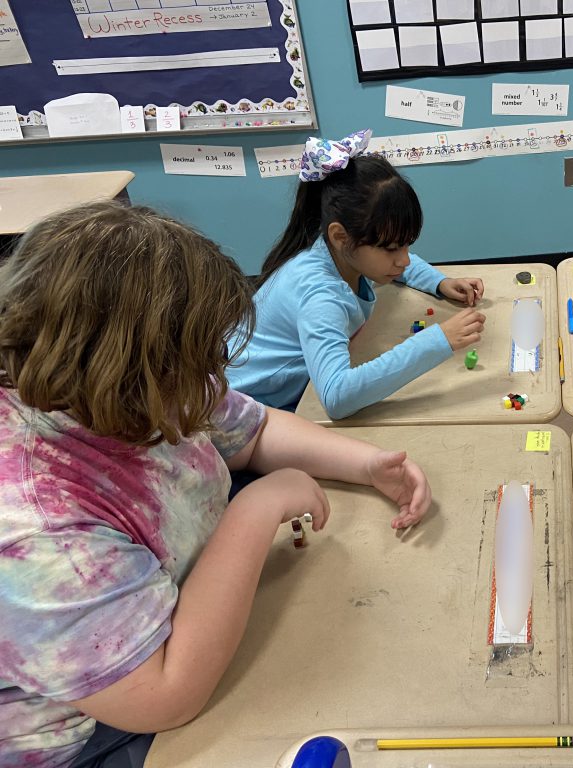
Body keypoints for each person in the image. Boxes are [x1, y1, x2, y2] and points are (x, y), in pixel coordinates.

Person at [0, 201, 433, 768]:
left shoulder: (137, 385)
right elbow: (163, 695)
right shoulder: (35, 525)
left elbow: (251, 429)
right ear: (124, 369)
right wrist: (255, 509)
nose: (212, 379)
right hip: (96, 730)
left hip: (188, 596)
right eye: (193, 361)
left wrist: (367, 462)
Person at [227, 130, 486, 419]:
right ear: (340, 236)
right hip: (242, 412)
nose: (403, 260)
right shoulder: (321, 296)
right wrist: (439, 340)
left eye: (406, 245)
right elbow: (337, 397)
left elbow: (393, 261)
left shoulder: (336, 248)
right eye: (391, 249)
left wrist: (440, 282)